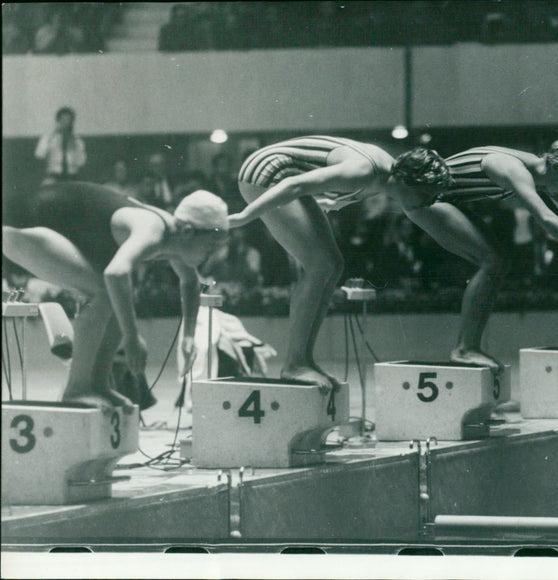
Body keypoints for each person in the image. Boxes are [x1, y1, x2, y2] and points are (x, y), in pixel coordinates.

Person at [228, 135, 454, 391]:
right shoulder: (365, 170)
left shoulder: (386, 172)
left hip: (284, 173)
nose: (427, 204)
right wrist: (245, 216)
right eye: (426, 195)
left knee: (333, 265)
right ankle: (295, 363)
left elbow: (343, 186)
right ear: (408, 181)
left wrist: (335, 202)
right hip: (266, 171)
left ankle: (304, 359)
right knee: (319, 265)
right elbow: (294, 184)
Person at [2, 182, 229, 411]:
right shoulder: (153, 230)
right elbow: (116, 272)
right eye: (210, 246)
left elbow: (190, 283)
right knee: (105, 292)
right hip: (21, 222)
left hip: (50, 223)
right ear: (188, 231)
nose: (211, 255)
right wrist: (131, 337)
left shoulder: (176, 237)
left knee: (118, 296)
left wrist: (189, 335)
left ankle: (99, 385)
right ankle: (77, 389)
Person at [401, 137, 558, 371]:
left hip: (443, 200)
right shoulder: (514, 170)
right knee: (492, 262)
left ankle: (467, 347)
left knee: (499, 261)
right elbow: (547, 219)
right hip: (426, 201)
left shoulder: (542, 172)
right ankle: (464, 349)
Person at [34, 106, 86, 185]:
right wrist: (51, 137)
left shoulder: (77, 140)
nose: (65, 123)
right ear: (57, 121)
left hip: (72, 177)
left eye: (68, 120)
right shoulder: (48, 138)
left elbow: (81, 163)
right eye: (63, 119)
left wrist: (76, 148)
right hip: (53, 176)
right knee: (46, 189)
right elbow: (39, 155)